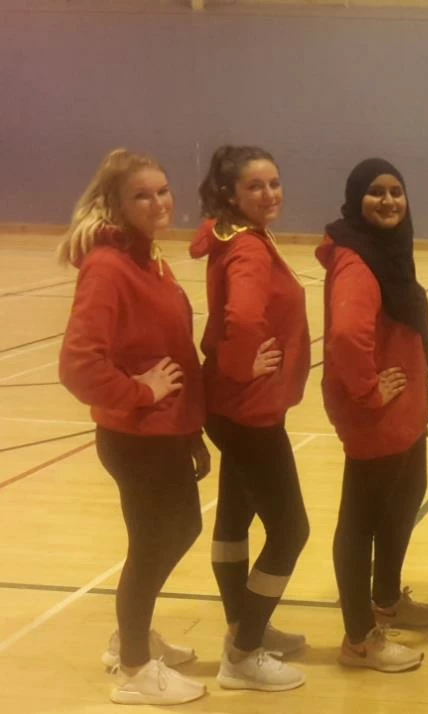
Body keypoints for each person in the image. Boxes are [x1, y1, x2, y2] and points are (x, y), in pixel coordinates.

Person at [58, 149, 208, 705]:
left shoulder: (149, 258)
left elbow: (167, 348)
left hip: (166, 432)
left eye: (163, 191)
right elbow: (78, 364)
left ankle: (131, 635)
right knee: (156, 542)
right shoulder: (108, 267)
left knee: (171, 533)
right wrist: (140, 391)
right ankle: (136, 667)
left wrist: (191, 430)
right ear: (117, 205)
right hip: (135, 436)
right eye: (142, 195)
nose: (159, 203)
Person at [192, 144, 310, 691]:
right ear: (231, 195)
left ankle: (244, 626)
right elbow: (241, 314)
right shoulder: (248, 250)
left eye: (274, 182)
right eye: (256, 186)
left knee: (235, 516)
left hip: (238, 405)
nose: (270, 194)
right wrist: (243, 364)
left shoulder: (240, 238)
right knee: (290, 529)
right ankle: (242, 654)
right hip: (248, 410)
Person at [319, 158, 428, 673]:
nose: (389, 201)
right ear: (355, 200)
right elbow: (348, 336)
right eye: (375, 193)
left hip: (404, 410)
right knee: (362, 521)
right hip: (378, 417)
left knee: (406, 497)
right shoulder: (356, 261)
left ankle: (387, 599)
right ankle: (360, 639)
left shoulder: (387, 253)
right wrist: (370, 393)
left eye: (396, 191)